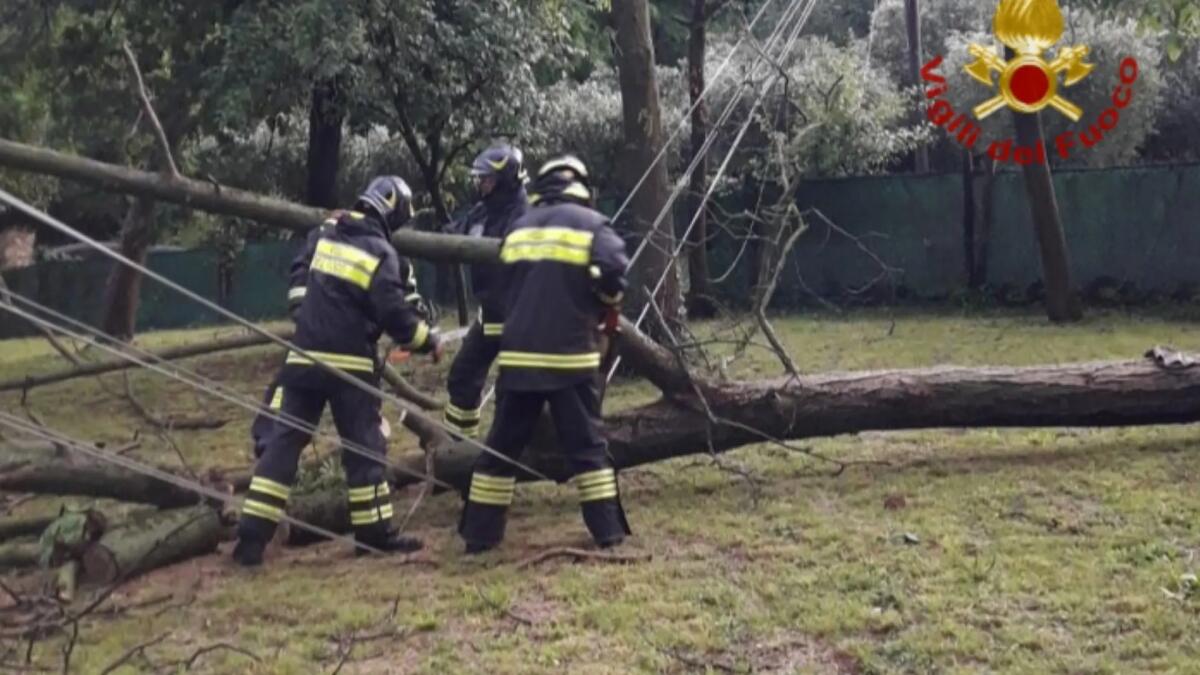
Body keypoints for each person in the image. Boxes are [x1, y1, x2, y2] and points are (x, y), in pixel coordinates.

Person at [233, 176, 443, 567]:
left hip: (303, 358)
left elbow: (303, 280)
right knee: (365, 448)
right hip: (349, 365)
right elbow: (393, 313)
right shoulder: (380, 251)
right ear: (392, 214)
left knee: (284, 445)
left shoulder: (327, 236)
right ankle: (374, 536)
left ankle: (250, 540)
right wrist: (426, 340)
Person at [457, 155, 631, 554]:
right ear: (579, 185)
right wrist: (605, 302)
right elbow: (614, 271)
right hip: (570, 359)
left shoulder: (519, 228)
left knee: (500, 451)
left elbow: (502, 286)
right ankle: (608, 533)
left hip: (518, 359)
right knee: (587, 450)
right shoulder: (592, 225)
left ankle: (479, 537)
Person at [442, 144, 529, 438]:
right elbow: (457, 233)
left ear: (505, 180)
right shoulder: (482, 211)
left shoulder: (524, 216)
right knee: (462, 377)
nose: (481, 185)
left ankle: (510, 451)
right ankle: (459, 445)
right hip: (489, 316)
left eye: (487, 179)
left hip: (517, 319)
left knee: (512, 391)